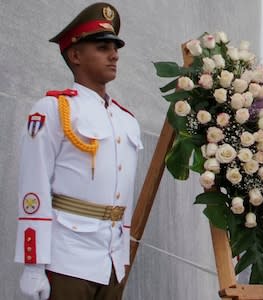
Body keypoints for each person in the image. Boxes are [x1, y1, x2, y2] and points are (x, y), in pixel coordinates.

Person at [14, 3, 143, 300]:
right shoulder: (54, 110)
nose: (114, 55)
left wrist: (122, 256)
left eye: (115, 47)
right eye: (102, 47)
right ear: (75, 55)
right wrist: (33, 266)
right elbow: (33, 189)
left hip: (111, 262)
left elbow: (123, 194)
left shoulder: (127, 121)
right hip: (66, 258)